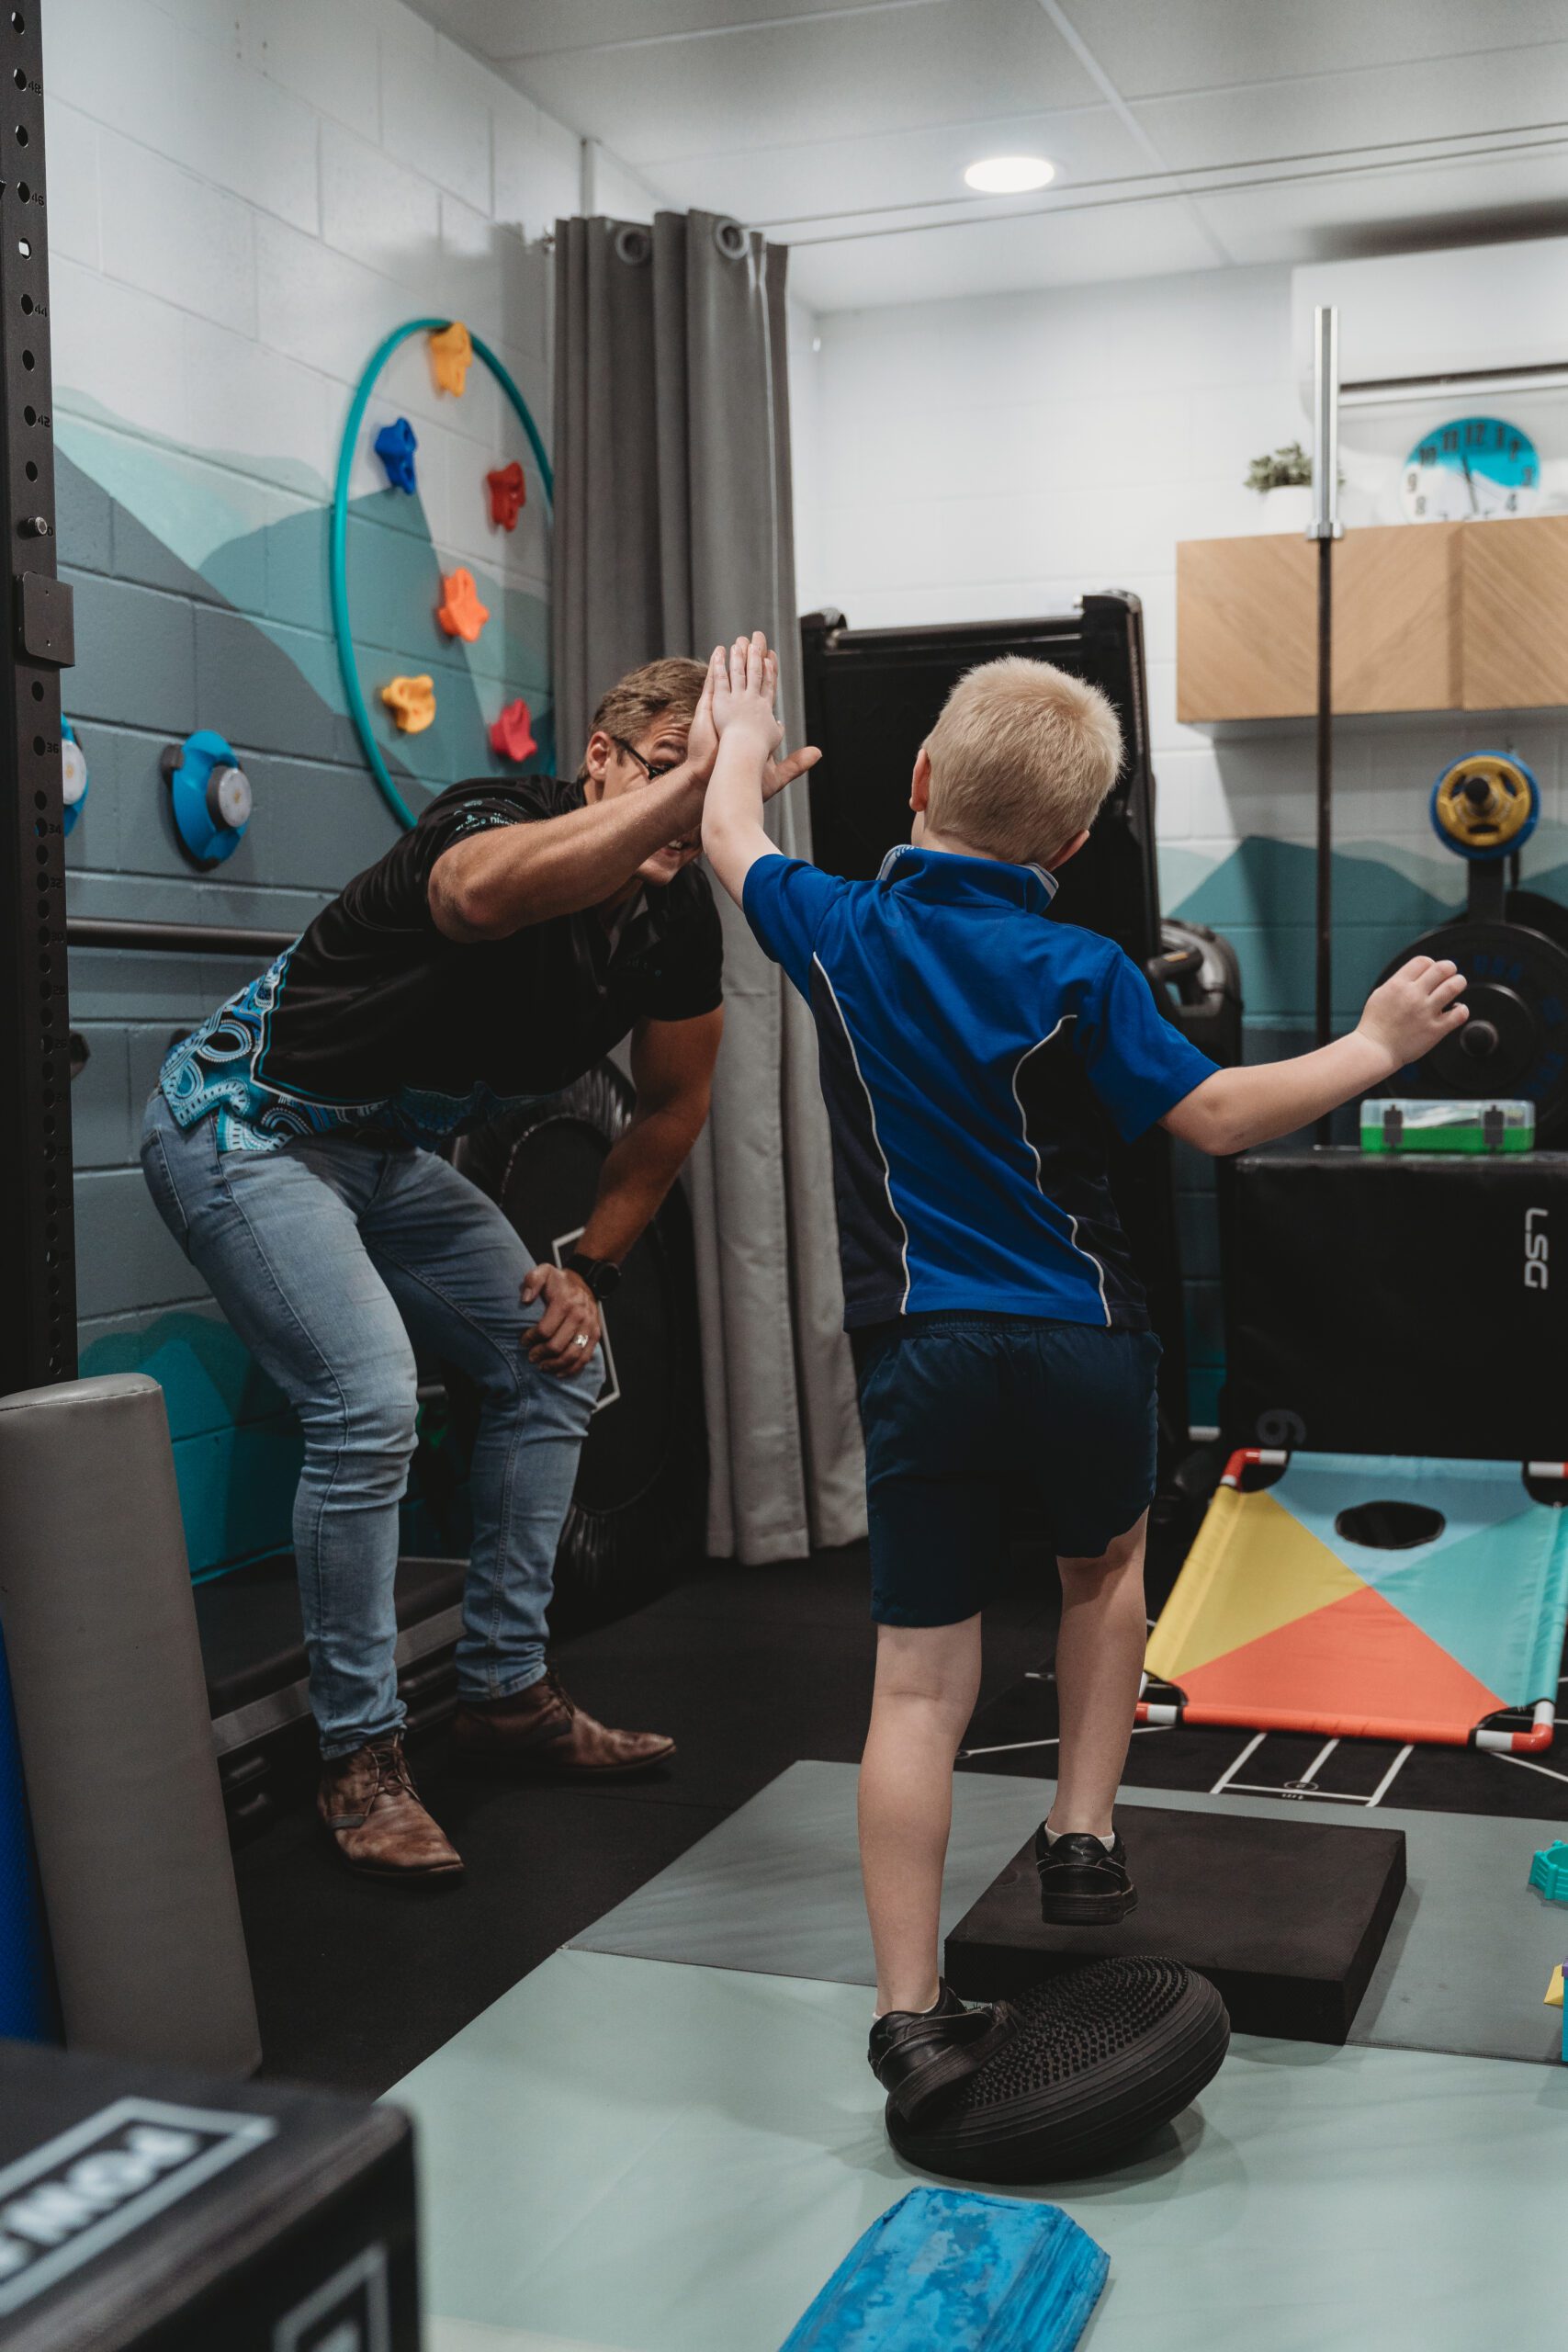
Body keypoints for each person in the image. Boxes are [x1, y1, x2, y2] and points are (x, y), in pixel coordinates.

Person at [700, 628, 1468, 2124]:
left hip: (922, 1344)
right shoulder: (1083, 965)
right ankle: (1082, 1835)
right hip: (1083, 1339)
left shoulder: (838, 924)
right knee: (1104, 1572)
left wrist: (737, 737)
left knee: (916, 1683)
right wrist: (1376, 1044)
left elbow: (732, 833)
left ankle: (908, 2016)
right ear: (1067, 845)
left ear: (919, 779)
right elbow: (1222, 1117)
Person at [141, 656, 817, 1886]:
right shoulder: (493, 818)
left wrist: (591, 1271)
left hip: (383, 1156)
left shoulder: (672, 918)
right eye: (671, 773)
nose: (691, 810)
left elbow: (673, 1106)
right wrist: (697, 795)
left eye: (717, 784)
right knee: (367, 1401)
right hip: (244, 1127)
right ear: (600, 760)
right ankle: (359, 1759)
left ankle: (504, 1695)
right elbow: (474, 898)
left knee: (556, 1360)